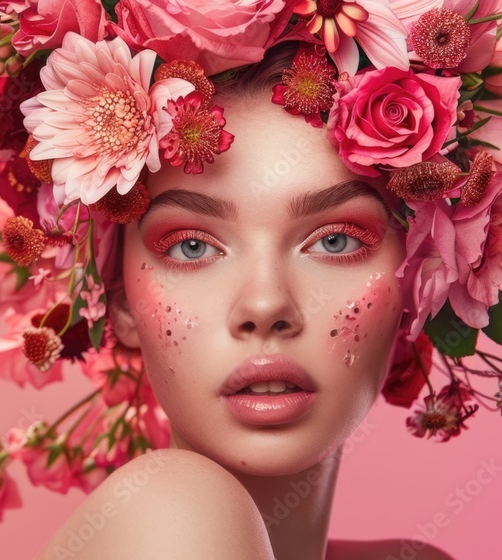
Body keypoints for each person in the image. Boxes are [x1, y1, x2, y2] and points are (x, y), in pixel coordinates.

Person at [32, 46, 452, 560]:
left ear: (419, 282)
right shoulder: (174, 513)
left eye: (335, 240)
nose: (265, 303)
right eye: (192, 246)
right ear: (117, 301)